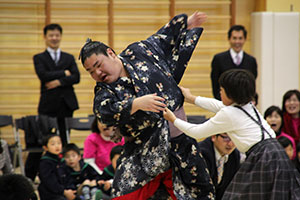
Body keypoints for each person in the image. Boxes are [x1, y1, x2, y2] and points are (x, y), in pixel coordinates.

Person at [79, 12, 215, 199]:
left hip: (180, 144)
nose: (97, 73)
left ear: (110, 53)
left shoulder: (139, 51)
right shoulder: (105, 90)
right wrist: (135, 104)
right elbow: (103, 113)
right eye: (91, 71)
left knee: (199, 193)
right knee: (125, 194)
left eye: (98, 65)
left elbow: (161, 38)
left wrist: (185, 24)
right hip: (143, 152)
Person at [164, 69, 300, 199]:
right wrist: (192, 99)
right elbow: (218, 105)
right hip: (276, 154)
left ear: (230, 93)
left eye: (221, 90)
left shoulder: (229, 113)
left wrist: (173, 119)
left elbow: (196, 131)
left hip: (263, 157)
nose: (220, 92)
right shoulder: (248, 106)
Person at [33, 23, 80, 146]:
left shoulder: (68, 57)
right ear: (45, 37)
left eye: (57, 35)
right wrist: (64, 72)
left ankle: (65, 164)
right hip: (48, 104)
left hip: (66, 104)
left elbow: (76, 77)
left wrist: (59, 82)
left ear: (61, 36)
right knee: (48, 139)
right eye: (51, 35)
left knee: (65, 138)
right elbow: (43, 75)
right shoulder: (39, 58)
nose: (54, 38)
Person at [210, 25, 257, 100]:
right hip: (224, 104)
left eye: (240, 38)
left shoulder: (251, 61)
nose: (237, 42)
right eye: (234, 38)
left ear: (245, 39)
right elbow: (215, 84)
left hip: (244, 104)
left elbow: (251, 85)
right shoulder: (218, 59)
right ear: (229, 39)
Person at [198, 133, 240, 200]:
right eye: (226, 138)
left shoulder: (234, 155)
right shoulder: (201, 154)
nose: (231, 144)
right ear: (214, 136)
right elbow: (201, 190)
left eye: (234, 139)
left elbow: (230, 189)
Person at [38, 134, 76, 200]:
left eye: (59, 143)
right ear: (45, 147)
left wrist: (70, 188)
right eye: (53, 144)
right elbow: (50, 182)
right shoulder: (45, 162)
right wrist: (64, 192)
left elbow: (68, 176)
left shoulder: (62, 160)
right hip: (51, 194)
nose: (57, 146)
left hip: (64, 191)